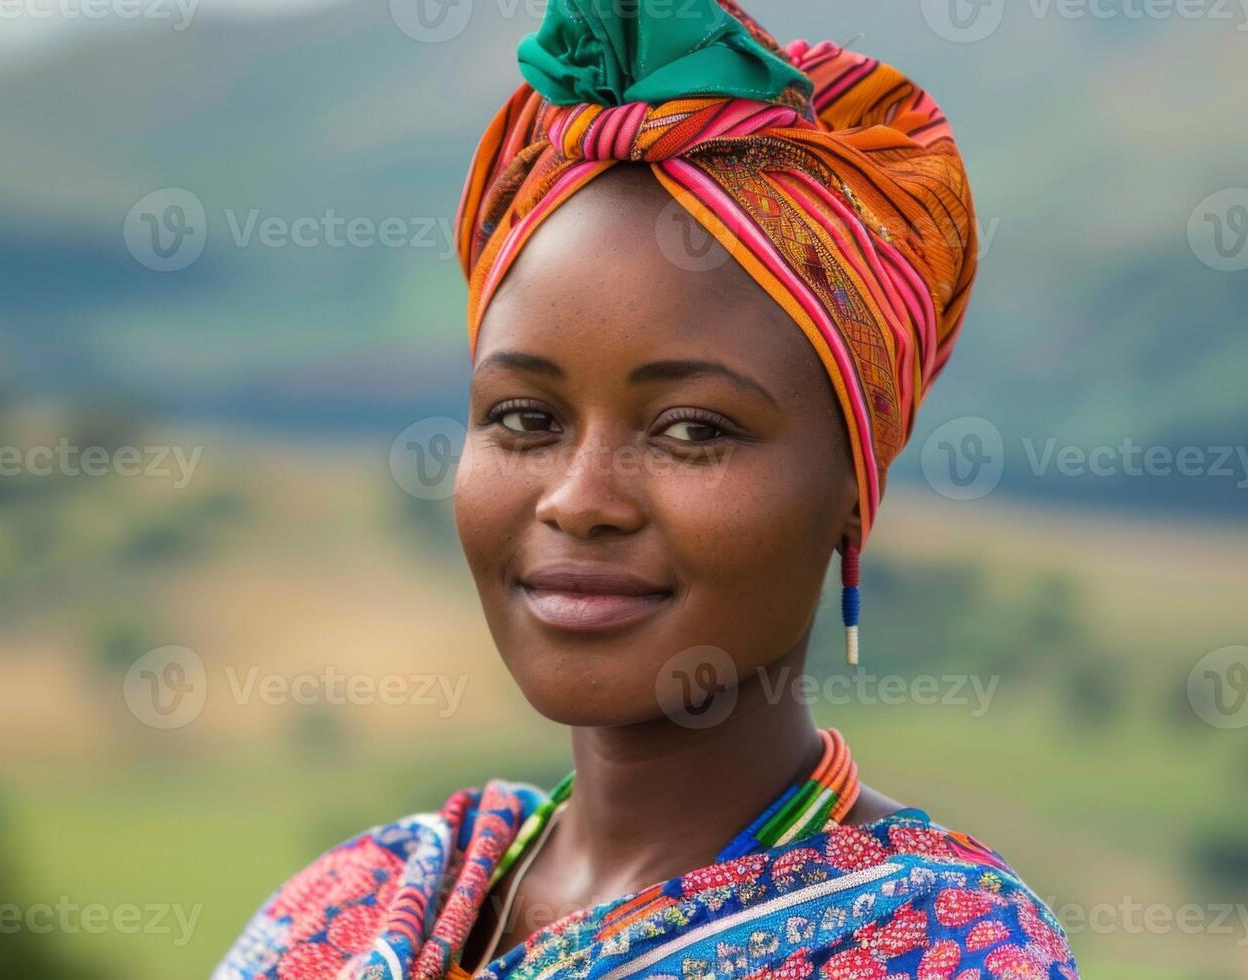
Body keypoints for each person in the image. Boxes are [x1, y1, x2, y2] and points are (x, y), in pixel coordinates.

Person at [217, 1, 1078, 977]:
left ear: (853, 487)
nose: (580, 498)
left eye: (693, 430)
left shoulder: (936, 950)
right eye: (524, 418)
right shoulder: (348, 907)